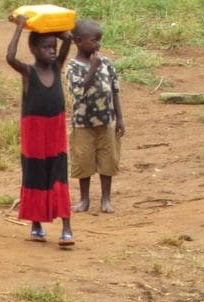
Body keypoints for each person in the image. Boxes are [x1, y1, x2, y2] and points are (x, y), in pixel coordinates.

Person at [6, 14, 75, 247]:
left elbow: (69, 39)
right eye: (46, 47)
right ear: (34, 50)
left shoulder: (57, 67)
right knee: (34, 174)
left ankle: (67, 228)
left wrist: (54, 29)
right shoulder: (28, 72)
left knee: (58, 174)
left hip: (55, 131)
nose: (52, 51)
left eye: (53, 47)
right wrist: (21, 27)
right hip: (34, 133)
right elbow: (10, 57)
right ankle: (36, 225)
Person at [66, 18, 125, 214]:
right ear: (78, 40)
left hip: (107, 121)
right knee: (84, 161)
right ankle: (84, 199)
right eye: (94, 40)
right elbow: (79, 91)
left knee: (108, 160)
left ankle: (106, 199)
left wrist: (120, 118)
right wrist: (92, 68)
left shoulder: (107, 63)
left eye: (100, 40)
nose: (98, 44)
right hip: (82, 124)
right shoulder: (72, 66)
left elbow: (114, 91)